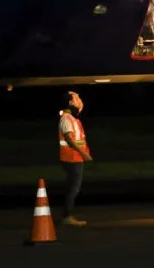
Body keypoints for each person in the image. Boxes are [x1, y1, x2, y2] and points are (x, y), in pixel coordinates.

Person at [58, 90, 92, 226]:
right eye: (77, 99)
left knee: (73, 187)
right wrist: (84, 153)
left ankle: (67, 215)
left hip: (75, 158)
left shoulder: (72, 117)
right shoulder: (67, 119)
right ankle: (67, 216)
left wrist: (76, 96)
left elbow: (80, 107)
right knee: (73, 188)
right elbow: (69, 139)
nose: (80, 101)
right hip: (72, 158)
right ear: (71, 102)